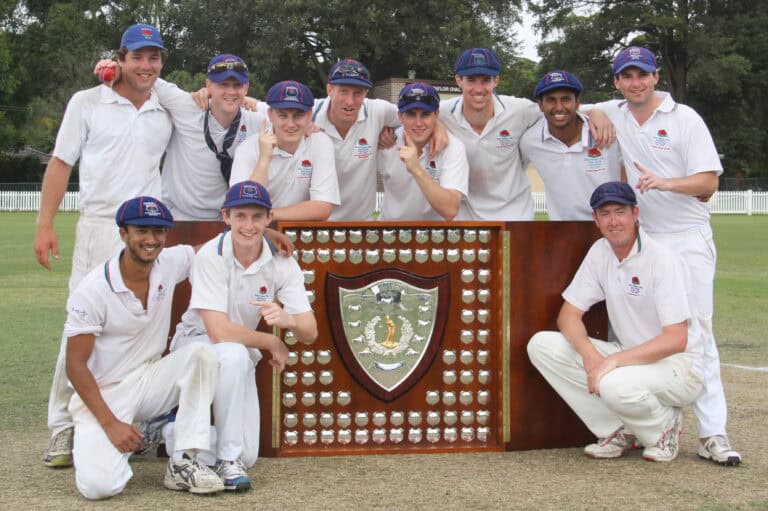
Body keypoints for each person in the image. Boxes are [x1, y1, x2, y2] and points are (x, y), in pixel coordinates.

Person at [36, 23, 173, 468]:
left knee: (145, 325)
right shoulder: (88, 102)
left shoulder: (166, 105)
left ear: (161, 63)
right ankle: (62, 428)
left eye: (153, 58)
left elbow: (213, 103)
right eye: (137, 57)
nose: (146, 66)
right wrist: (45, 225)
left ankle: (137, 416)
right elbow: (60, 163)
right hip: (99, 225)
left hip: (147, 232)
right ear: (121, 59)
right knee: (80, 329)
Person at [594, 46, 740, 465]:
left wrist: (666, 183)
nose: (635, 82)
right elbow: (578, 106)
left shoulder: (684, 118)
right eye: (626, 76)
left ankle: (713, 434)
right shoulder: (615, 111)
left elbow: (709, 183)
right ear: (617, 82)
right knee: (639, 333)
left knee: (696, 333)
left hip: (686, 237)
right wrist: (597, 114)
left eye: (642, 74)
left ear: (656, 77)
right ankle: (646, 425)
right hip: (645, 239)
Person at [527, 182, 704, 462]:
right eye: (605, 213)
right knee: (541, 346)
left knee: (612, 382)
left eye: (620, 212)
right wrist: (590, 356)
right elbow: (568, 315)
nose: (613, 221)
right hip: (631, 359)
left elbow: (676, 339)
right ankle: (621, 429)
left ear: (635, 214)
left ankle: (664, 427)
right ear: (596, 221)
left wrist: (613, 362)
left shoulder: (662, 259)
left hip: (680, 367)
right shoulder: (601, 252)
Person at [64, 196, 222, 498]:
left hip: (149, 380)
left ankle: (183, 461)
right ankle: (98, 436)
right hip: (104, 394)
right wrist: (110, 424)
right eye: (142, 231)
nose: (151, 240)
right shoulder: (94, 289)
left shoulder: (169, 263)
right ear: (124, 234)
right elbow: (75, 366)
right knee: (100, 487)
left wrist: (268, 234)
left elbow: (215, 248)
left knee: (202, 353)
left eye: (159, 231)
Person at [168, 181, 318, 491]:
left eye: (256, 216)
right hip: (195, 345)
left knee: (249, 454)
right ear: (226, 217)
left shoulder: (282, 262)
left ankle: (174, 436)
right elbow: (218, 331)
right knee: (233, 352)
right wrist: (272, 341)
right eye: (240, 216)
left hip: (240, 350)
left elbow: (310, 332)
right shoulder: (210, 255)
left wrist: (288, 319)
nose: (248, 225)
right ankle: (225, 460)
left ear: (268, 218)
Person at [439, 48, 615, 221]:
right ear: (459, 80)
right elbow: (417, 121)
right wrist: (436, 127)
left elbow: (557, 112)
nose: (478, 89)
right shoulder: (442, 113)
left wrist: (594, 111)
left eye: (485, 80)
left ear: (496, 81)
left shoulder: (519, 110)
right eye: (471, 80)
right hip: (465, 216)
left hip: (517, 215)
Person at [520, 70, 623, 220]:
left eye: (566, 99)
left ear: (577, 103)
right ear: (540, 106)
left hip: (609, 228)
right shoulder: (530, 142)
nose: (559, 107)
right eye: (551, 100)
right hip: (561, 232)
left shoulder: (608, 133)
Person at [230, 80, 340, 221]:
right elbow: (243, 207)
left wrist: (266, 215)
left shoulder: (320, 142)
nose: (290, 124)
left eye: (298, 115)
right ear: (270, 115)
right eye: (283, 115)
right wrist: (264, 159)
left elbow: (323, 207)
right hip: (257, 232)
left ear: (309, 115)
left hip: (299, 231)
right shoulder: (248, 148)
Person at [376, 82, 468, 221]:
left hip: (436, 237)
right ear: (400, 117)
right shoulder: (385, 141)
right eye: (411, 114)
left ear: (436, 114)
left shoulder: (453, 146)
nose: (418, 123)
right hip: (392, 233)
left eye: (425, 114)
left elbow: (450, 209)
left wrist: (416, 169)